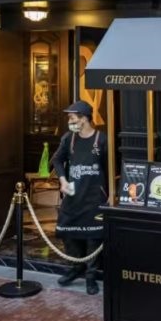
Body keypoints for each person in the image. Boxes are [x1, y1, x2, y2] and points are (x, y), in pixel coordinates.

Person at [51, 100, 108, 295]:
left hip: (94, 197)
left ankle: (91, 276)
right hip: (73, 197)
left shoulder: (102, 140)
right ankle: (75, 268)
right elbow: (57, 160)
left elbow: (112, 167)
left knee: (93, 238)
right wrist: (62, 180)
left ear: (84, 119)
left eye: (72, 118)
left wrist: (111, 194)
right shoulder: (69, 138)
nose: (70, 121)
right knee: (68, 233)